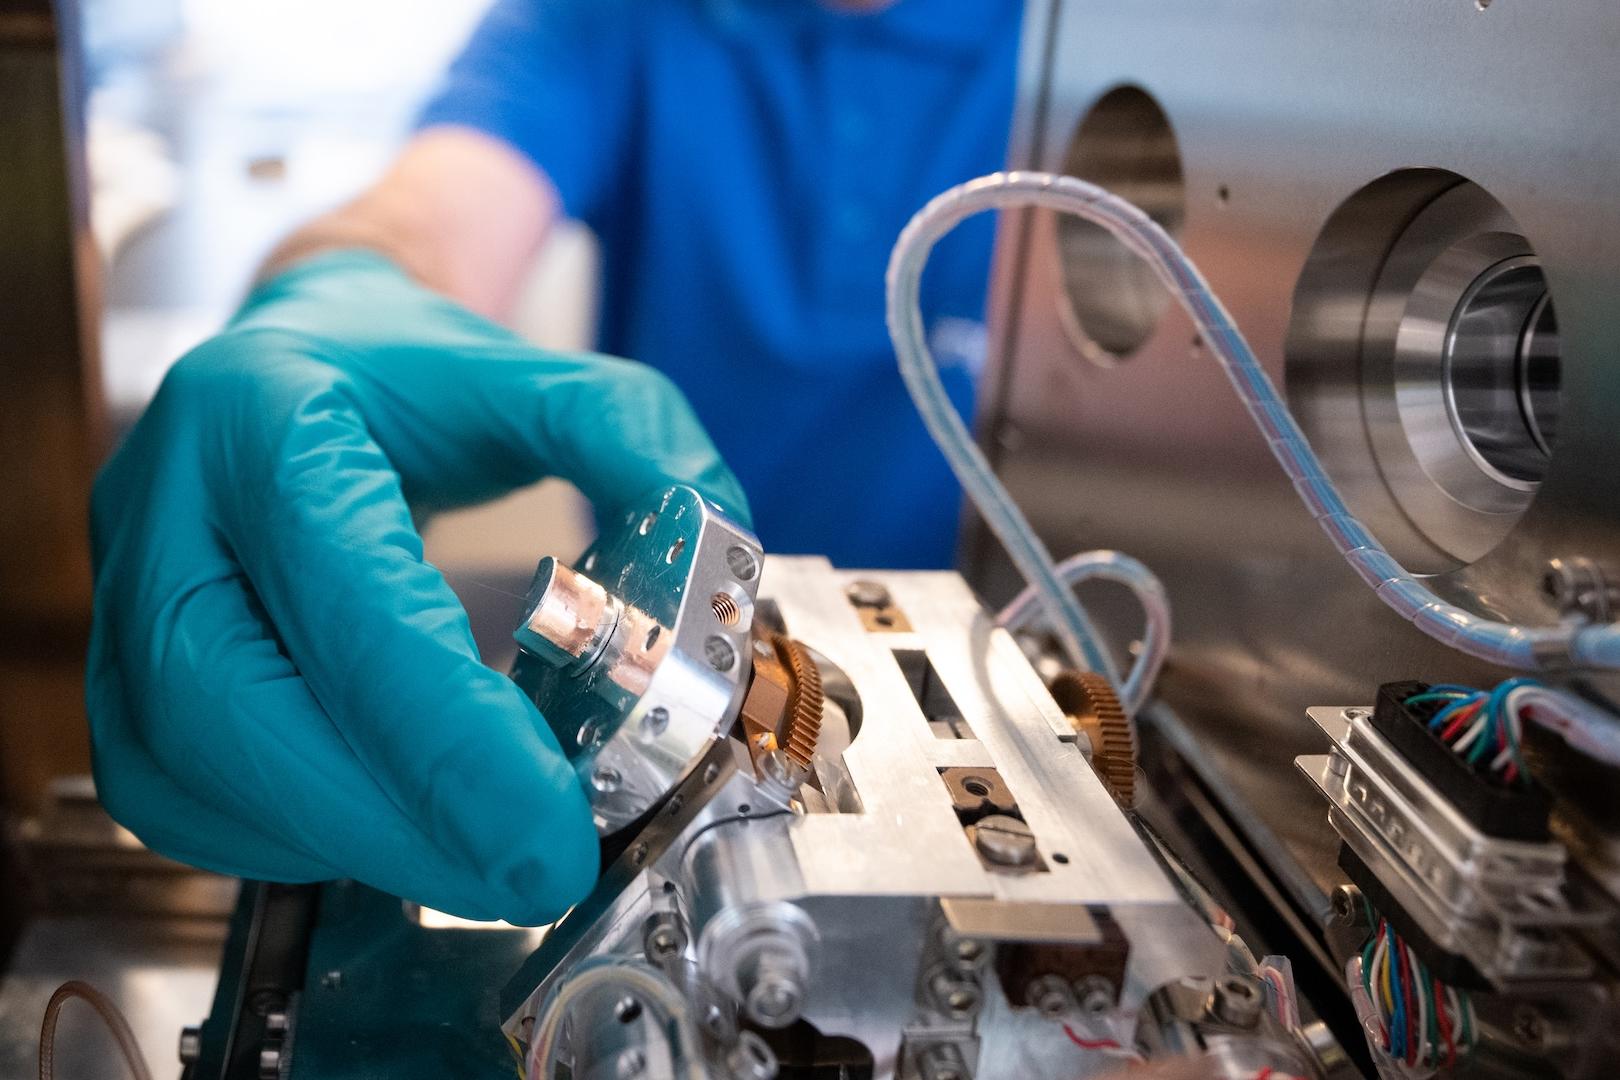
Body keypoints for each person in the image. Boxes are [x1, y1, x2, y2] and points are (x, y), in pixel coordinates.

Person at [87, 0, 1023, 924]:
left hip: (1010, 704)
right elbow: (432, 214)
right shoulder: (609, 20)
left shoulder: (1108, 56)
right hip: (654, 715)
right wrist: (331, 295)